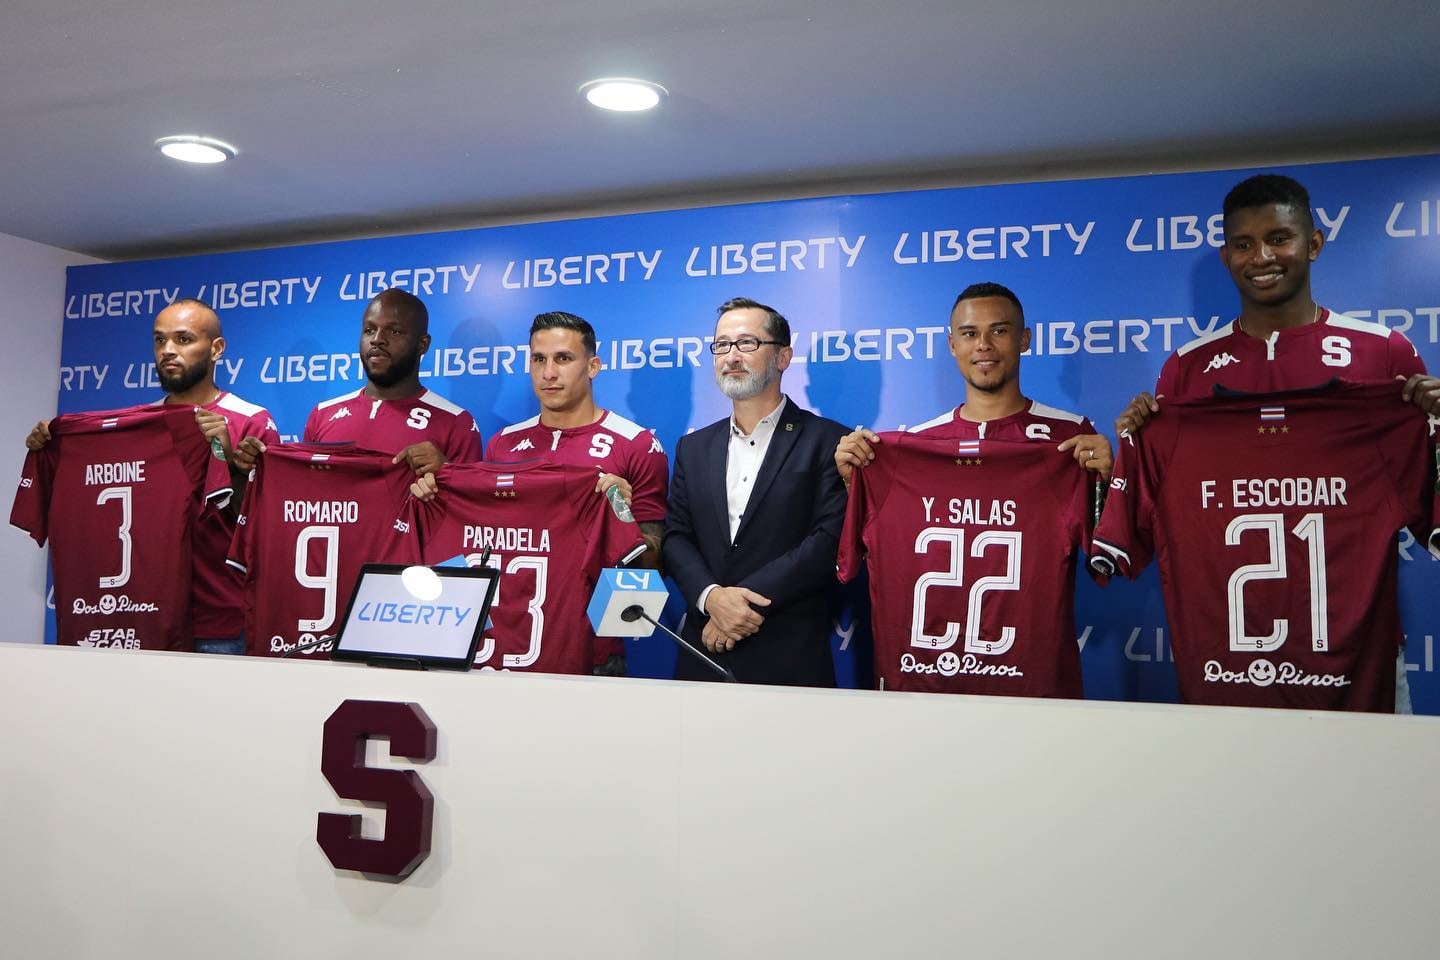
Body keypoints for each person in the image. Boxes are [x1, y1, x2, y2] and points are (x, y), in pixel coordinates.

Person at [1110, 172, 1440, 711]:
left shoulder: (1384, 351)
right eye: (1244, 244)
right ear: (1226, 257)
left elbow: (1424, 487)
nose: (1262, 256)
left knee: (1370, 795)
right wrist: (1139, 435)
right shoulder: (1186, 368)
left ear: (1312, 244)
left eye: (1279, 239)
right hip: (1228, 663)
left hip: (1358, 660)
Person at [833, 282, 1112, 695]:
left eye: (999, 331)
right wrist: (853, 483)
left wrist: (1105, 483)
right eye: (969, 334)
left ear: (1024, 340)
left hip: (1029, 689)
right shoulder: (910, 449)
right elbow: (862, 549)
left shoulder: (1069, 439)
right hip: (925, 687)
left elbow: (1105, 556)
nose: (983, 345)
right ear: (951, 344)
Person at [25, 298, 279, 653]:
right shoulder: (134, 428)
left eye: (183, 339)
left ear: (217, 349)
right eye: (160, 341)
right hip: (140, 619)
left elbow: (264, 532)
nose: (168, 351)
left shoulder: (249, 419)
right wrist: (51, 442)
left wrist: (225, 457)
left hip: (216, 621)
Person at [663, 297, 848, 686]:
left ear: (783, 357)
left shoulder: (829, 440)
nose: (732, 356)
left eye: (747, 343)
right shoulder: (693, 448)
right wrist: (712, 598)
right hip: (703, 652)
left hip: (789, 655)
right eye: (722, 345)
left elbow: (829, 540)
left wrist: (738, 606)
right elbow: (676, 537)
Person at [480, 311, 668, 677]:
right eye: (539, 359)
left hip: (591, 653)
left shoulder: (636, 444)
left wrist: (621, 514)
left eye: (563, 359)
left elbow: (654, 573)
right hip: (504, 649)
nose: (548, 373)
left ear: (593, 366)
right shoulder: (502, 445)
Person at [238, 288, 481, 478]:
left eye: (394, 331)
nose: (377, 340)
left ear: (423, 345)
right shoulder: (323, 414)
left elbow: (471, 515)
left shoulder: (456, 423)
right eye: (369, 330)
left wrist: (447, 473)